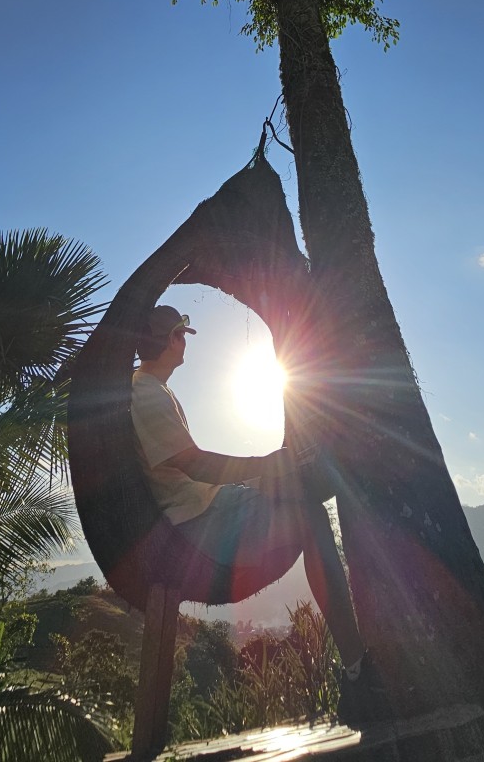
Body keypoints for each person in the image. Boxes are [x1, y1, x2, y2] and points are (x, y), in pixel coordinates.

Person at [131, 304, 389, 727]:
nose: (184, 346)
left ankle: (358, 670)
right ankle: (359, 672)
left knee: (308, 479)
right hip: (202, 518)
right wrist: (264, 464)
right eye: (181, 336)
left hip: (214, 504)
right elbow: (194, 464)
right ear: (169, 339)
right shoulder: (146, 392)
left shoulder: (153, 390)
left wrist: (269, 469)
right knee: (311, 505)